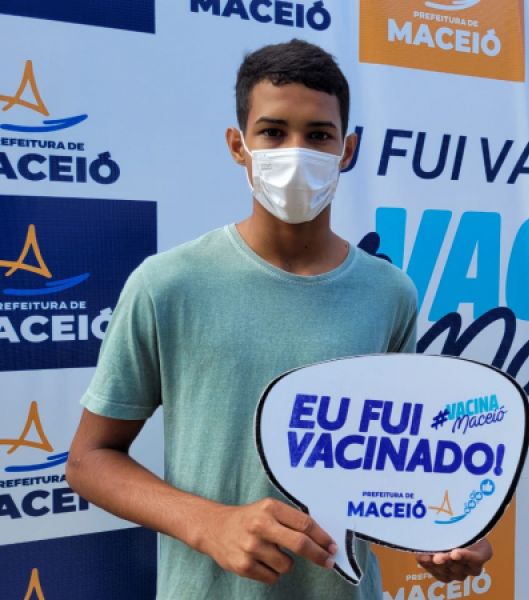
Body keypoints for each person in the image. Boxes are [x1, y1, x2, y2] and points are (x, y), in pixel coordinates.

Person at [66, 39, 492, 599]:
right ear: (237, 145)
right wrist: (209, 523)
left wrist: (446, 528)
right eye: (272, 132)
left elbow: (394, 463)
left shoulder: (389, 292)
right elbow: (89, 460)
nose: (296, 152)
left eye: (318, 135)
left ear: (347, 148)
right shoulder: (167, 283)